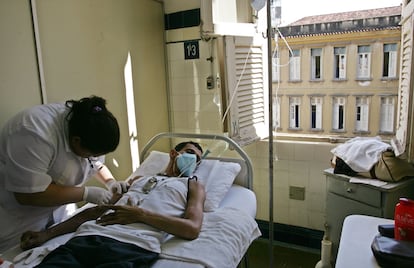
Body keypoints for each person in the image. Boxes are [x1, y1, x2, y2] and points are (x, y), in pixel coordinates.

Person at [18, 141, 206, 267]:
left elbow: (192, 228)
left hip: (133, 247)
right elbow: (98, 211)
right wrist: (46, 234)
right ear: (174, 154)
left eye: (197, 159)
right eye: (189, 153)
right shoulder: (139, 179)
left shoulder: (192, 185)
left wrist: (141, 215)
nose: (193, 160)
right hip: (87, 238)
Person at [0, 96, 128, 253]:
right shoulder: (33, 132)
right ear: (76, 141)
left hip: (60, 212)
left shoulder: (89, 127)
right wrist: (85, 193)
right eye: (92, 153)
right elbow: (27, 195)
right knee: (19, 257)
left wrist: (110, 182)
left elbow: (94, 163)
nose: (94, 157)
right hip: (19, 218)